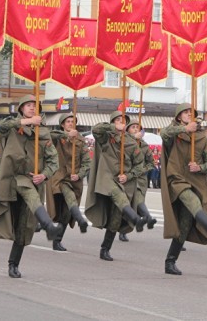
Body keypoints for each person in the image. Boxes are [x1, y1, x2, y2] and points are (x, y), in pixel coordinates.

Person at [0, 95, 62, 278]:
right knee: (21, 209)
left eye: (35, 106)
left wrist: (43, 174)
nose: (32, 108)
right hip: (12, 178)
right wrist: (28, 122)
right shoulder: (12, 126)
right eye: (28, 105)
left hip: (31, 179)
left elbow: (53, 161)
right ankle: (47, 224)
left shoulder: (43, 133)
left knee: (23, 227)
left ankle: (13, 264)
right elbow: (3, 127)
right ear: (22, 109)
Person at [161, 103, 207, 276]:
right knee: (193, 201)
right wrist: (184, 129)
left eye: (191, 112)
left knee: (184, 224)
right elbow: (164, 134)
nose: (189, 114)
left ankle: (170, 261)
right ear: (178, 117)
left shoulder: (202, 138)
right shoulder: (173, 134)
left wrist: (200, 167)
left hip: (196, 181)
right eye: (185, 112)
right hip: (177, 179)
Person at [85, 111, 147, 262]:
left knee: (115, 218)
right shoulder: (106, 137)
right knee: (119, 197)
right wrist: (112, 126)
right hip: (107, 178)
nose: (121, 122)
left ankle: (105, 248)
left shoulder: (132, 143)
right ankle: (135, 218)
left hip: (123, 181)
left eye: (123, 120)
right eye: (117, 120)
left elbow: (140, 165)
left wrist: (129, 175)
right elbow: (97, 129)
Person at [45, 113, 90, 252]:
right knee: (68, 197)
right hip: (59, 178)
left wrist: (80, 174)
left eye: (73, 121)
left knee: (65, 213)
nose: (71, 124)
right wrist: (67, 136)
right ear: (63, 125)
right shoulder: (57, 137)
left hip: (74, 180)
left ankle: (57, 241)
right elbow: (50, 134)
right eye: (68, 122)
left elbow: (87, 162)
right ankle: (80, 218)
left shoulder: (81, 141)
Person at [118, 120, 158, 242]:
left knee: (138, 201)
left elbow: (152, 163)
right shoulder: (123, 142)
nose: (136, 129)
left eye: (138, 127)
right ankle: (122, 228)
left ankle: (147, 217)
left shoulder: (144, 146)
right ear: (127, 130)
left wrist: (142, 170)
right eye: (133, 127)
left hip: (139, 180)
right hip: (125, 178)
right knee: (126, 205)